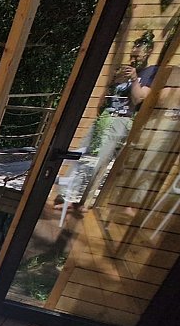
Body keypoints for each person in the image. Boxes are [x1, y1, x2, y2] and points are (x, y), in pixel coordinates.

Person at [68, 32, 159, 208]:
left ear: (148, 53)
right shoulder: (122, 70)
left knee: (101, 161)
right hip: (104, 117)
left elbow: (138, 99)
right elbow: (107, 95)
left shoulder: (151, 72)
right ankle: (68, 197)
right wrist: (116, 79)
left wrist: (134, 79)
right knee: (83, 156)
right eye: (132, 55)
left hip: (121, 120)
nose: (134, 59)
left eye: (137, 56)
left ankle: (84, 202)